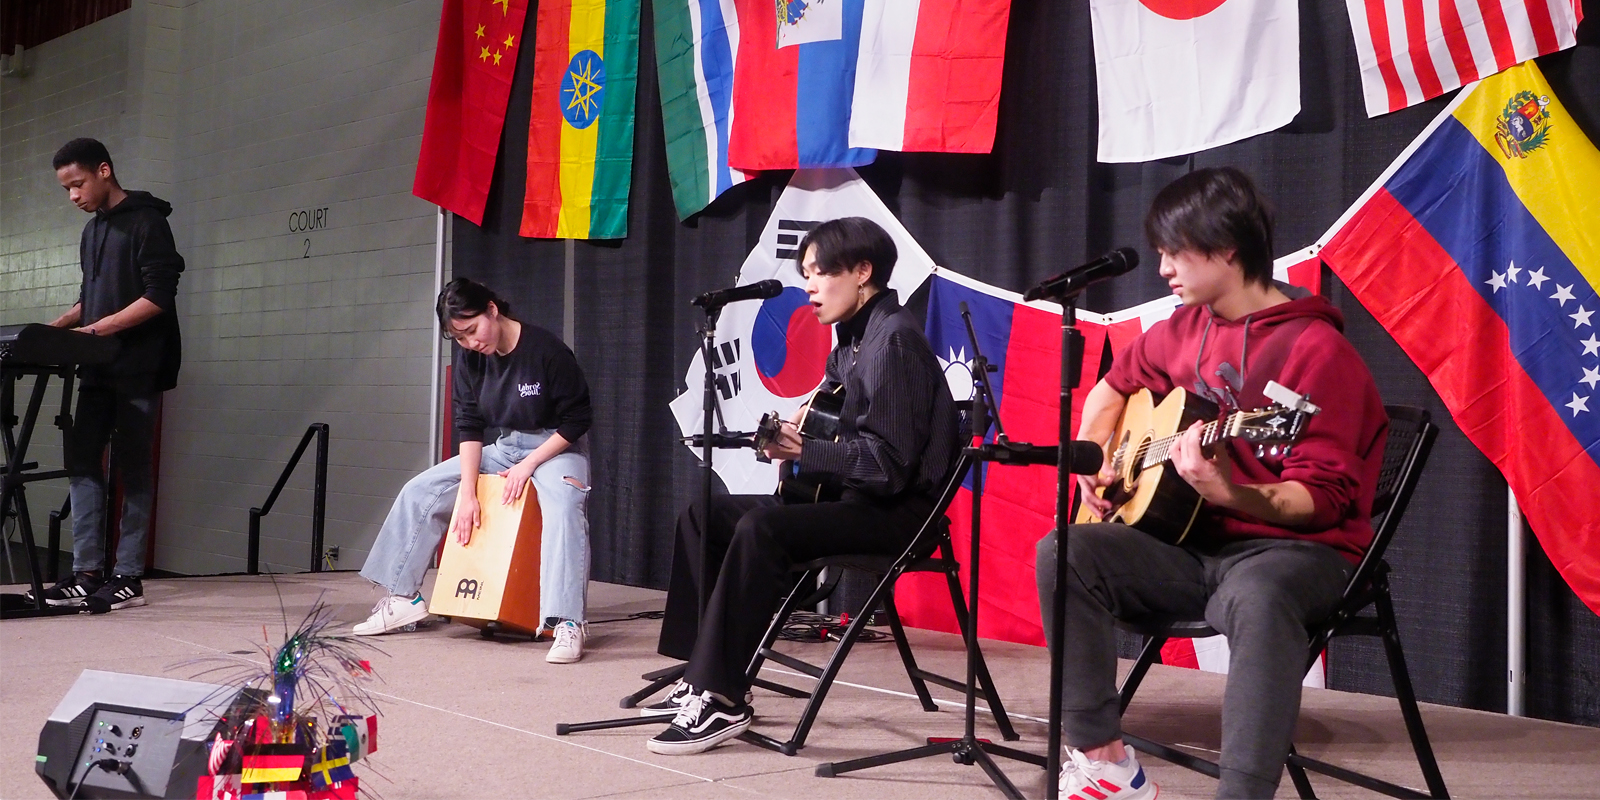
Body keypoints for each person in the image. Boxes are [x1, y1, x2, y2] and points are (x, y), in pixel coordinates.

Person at [1036, 167, 1387, 799]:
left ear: (1227, 249)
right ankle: (1105, 764)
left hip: (1299, 553)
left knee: (1259, 595)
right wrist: (1098, 458)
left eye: (1176, 251)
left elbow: (1324, 500)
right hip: (1191, 548)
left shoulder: (1319, 352)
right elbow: (1114, 387)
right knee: (1065, 551)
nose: (1164, 267)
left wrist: (1232, 494)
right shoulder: (1179, 328)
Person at [643, 216, 961, 755]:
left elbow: (889, 467)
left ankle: (722, 698)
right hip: (849, 499)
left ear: (863, 272)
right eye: (805, 274)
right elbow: (836, 415)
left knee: (763, 527)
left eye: (819, 273)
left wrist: (804, 449)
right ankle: (698, 672)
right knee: (704, 513)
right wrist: (800, 428)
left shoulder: (896, 342)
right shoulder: (852, 341)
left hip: (898, 515)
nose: (808, 286)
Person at [353, 278, 595, 665]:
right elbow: (469, 425)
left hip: (555, 446)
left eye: (471, 331)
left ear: (492, 311)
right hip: (506, 445)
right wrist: (467, 494)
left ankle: (566, 622)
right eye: (459, 337)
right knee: (421, 489)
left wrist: (529, 465)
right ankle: (403, 598)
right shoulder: (471, 358)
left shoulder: (546, 350)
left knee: (565, 507)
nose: (469, 343)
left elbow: (578, 419)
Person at [26, 138, 185, 613]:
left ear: (104, 170)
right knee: (82, 463)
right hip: (97, 365)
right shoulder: (92, 232)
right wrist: (54, 329)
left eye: (77, 184)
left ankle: (128, 576)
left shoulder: (148, 222)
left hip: (140, 365)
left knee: (133, 469)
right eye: (66, 189)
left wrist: (96, 330)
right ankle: (86, 571)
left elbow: (158, 296)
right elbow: (90, 299)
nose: (73, 195)